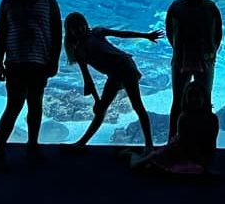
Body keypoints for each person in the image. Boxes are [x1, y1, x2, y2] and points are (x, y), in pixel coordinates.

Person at [61, 12, 164, 155]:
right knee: (102, 110)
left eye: (81, 25)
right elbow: (88, 81)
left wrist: (146, 36)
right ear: (70, 31)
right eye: (75, 27)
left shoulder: (97, 32)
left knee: (137, 105)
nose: (80, 29)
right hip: (114, 74)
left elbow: (122, 34)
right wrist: (97, 101)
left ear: (85, 23)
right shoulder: (79, 51)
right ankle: (81, 143)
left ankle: (149, 145)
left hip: (125, 67)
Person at [0, 0, 62, 169]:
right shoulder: (8, 2)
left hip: (40, 62)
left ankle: (32, 144)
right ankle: (0, 147)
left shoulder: (49, 1)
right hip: (15, 61)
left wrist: (54, 60)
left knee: (35, 105)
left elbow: (57, 33)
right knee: (13, 106)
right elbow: (1, 33)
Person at [165, 0, 223, 142]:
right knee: (179, 100)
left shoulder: (208, 7)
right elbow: (217, 34)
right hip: (186, 59)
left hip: (199, 59)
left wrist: (209, 52)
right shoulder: (178, 7)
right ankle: (174, 139)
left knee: (203, 99)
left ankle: (202, 141)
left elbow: (218, 33)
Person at [141, 80, 220, 176]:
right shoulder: (184, 118)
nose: (194, 99)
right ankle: (131, 155)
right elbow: (185, 145)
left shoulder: (212, 118)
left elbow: (211, 144)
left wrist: (205, 161)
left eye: (197, 95)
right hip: (179, 152)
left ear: (204, 97)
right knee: (141, 165)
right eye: (191, 95)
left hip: (192, 155)